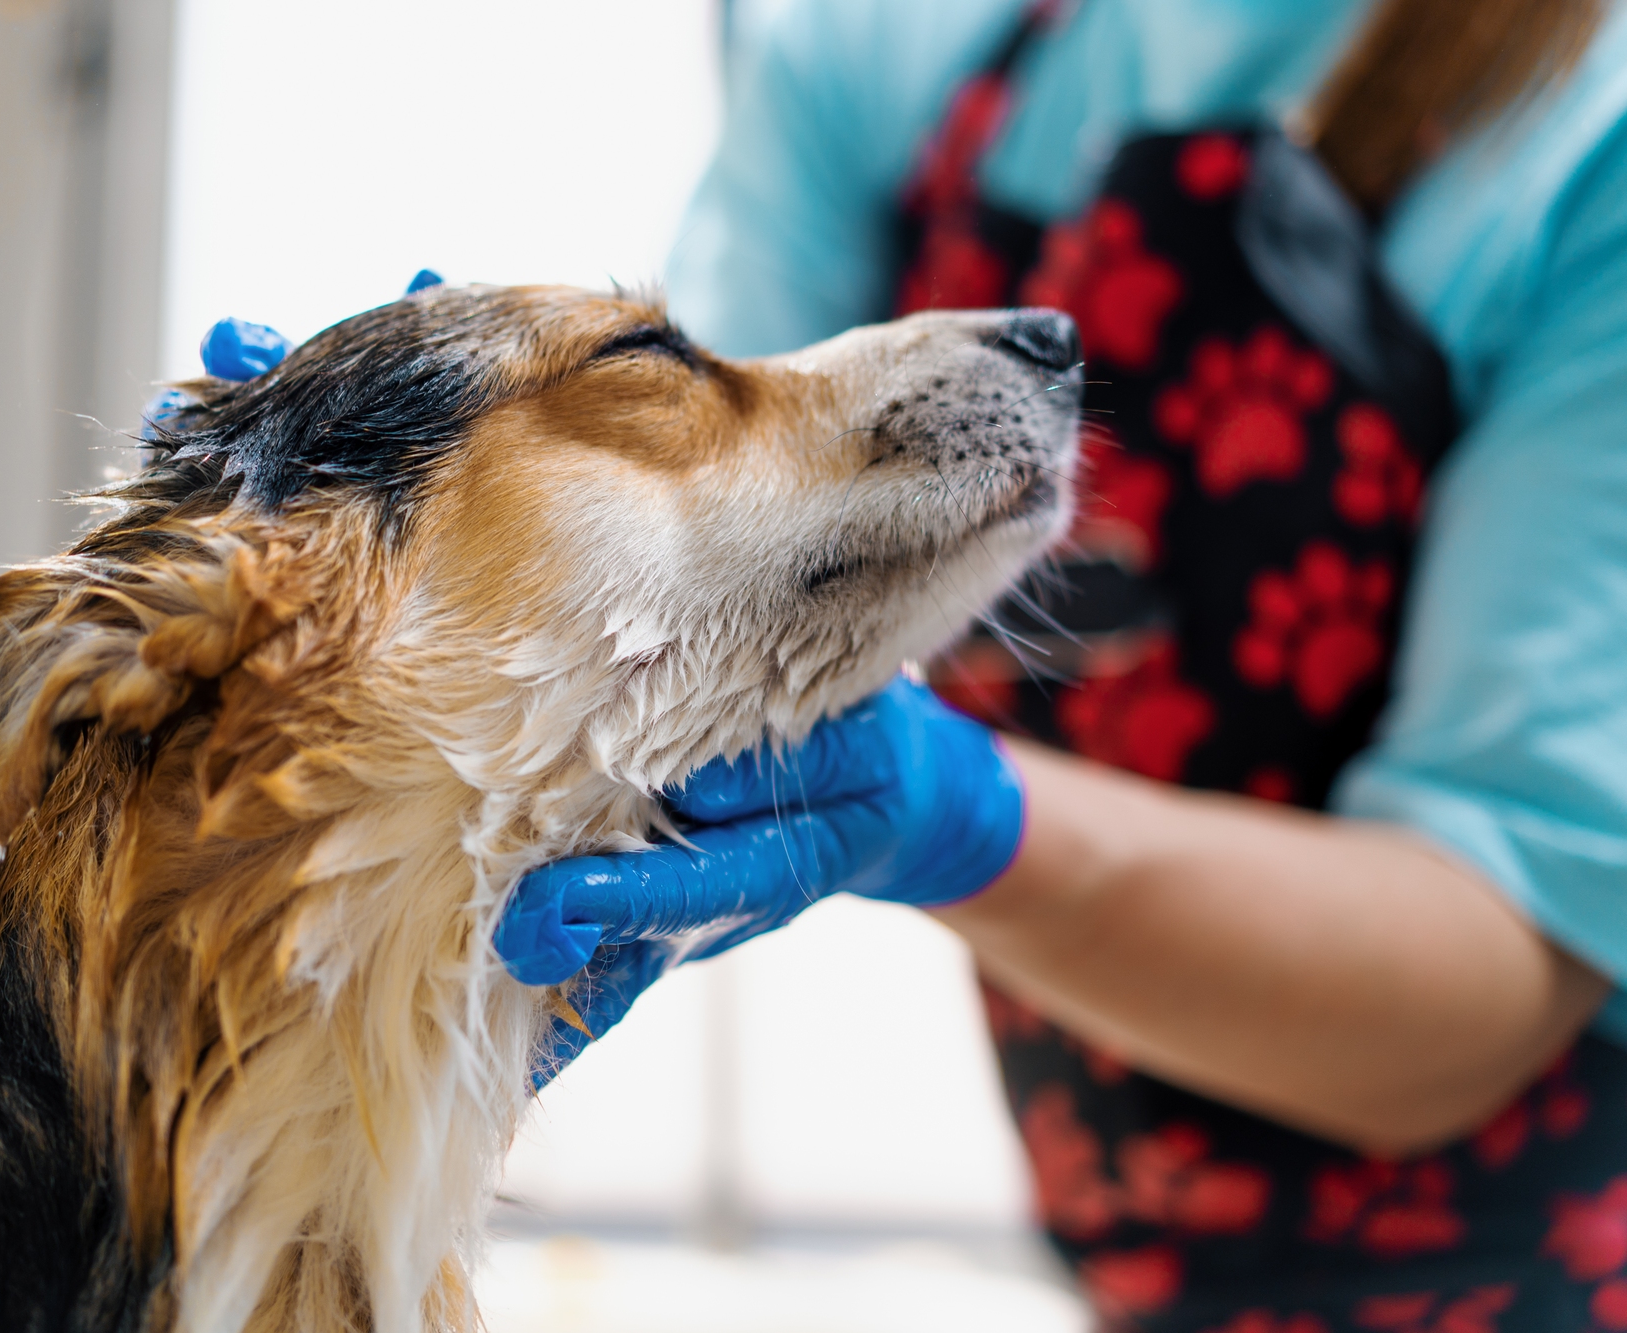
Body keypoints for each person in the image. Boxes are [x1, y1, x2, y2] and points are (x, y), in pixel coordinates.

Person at [487, 1, 1627, 1329]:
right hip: (1122, 1261)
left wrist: (957, 811)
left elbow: (1488, 966)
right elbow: (683, 526)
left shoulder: (1580, 143)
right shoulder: (894, 49)